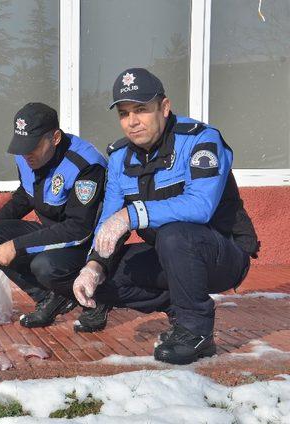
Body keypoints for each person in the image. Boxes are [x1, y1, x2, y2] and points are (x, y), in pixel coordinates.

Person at [72, 68, 260, 364]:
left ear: (165, 107)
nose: (132, 122)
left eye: (141, 110)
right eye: (123, 113)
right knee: (105, 277)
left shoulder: (201, 140)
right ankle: (179, 304)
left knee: (175, 234)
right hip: (170, 254)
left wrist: (132, 215)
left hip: (222, 254)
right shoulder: (120, 157)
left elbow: (200, 206)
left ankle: (196, 330)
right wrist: (94, 265)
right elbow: (110, 220)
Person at [0, 102, 107, 328]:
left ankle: (99, 300)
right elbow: (25, 195)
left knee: (44, 265)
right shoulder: (27, 156)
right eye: (21, 146)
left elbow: (79, 229)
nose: (25, 153)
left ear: (55, 138)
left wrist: (17, 245)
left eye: (32, 146)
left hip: (88, 244)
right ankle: (50, 298)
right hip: (55, 234)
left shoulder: (86, 165)